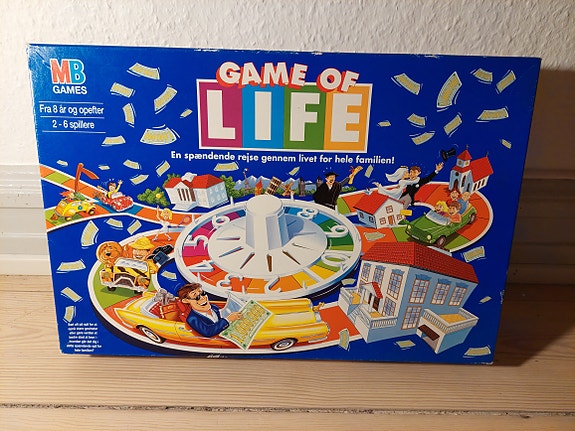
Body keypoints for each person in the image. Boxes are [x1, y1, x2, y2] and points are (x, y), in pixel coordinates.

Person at [178, 283, 243, 338]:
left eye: (203, 293)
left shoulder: (214, 307)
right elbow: (208, 332)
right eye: (197, 297)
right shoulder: (192, 319)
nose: (203, 298)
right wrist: (228, 320)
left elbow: (221, 318)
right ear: (186, 301)